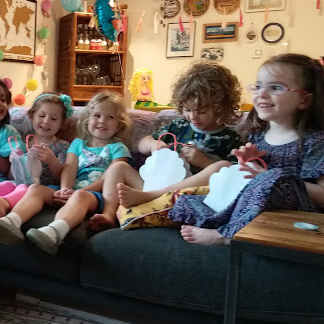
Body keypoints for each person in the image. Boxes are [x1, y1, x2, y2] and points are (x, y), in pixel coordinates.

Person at [169, 53, 324, 245]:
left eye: (275, 87)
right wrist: (246, 164)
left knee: (268, 183)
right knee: (192, 199)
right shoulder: (257, 136)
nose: (262, 94)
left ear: (304, 100)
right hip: (254, 208)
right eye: (258, 86)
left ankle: (225, 236)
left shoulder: (315, 141)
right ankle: (218, 221)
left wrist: (269, 177)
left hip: (294, 216)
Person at [89, 62, 244, 230]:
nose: (193, 117)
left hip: (189, 196)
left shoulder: (230, 138)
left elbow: (233, 176)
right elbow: (142, 143)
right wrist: (154, 145)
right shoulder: (179, 125)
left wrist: (204, 162)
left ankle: (149, 197)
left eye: (202, 111)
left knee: (223, 166)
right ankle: (109, 214)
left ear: (221, 107)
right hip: (155, 185)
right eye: (187, 110)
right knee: (118, 167)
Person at [0, 91, 131, 255]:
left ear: (119, 124)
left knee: (79, 196)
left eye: (110, 117)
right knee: (35, 189)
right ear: (88, 119)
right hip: (69, 190)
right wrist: (64, 189)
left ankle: (54, 233)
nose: (102, 121)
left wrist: (78, 192)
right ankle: (11, 221)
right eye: (97, 115)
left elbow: (110, 178)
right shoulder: (77, 144)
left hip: (95, 195)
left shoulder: (118, 148)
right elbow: (69, 168)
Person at [0, 92, 72, 218]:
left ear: (61, 123)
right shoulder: (22, 142)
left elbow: (62, 178)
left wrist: (51, 160)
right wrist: (15, 162)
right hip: (19, 184)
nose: (46, 121)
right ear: (32, 116)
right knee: (7, 185)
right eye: (42, 115)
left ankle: (1, 204)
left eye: (54, 119)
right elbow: (12, 177)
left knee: (24, 188)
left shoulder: (63, 146)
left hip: (47, 189)